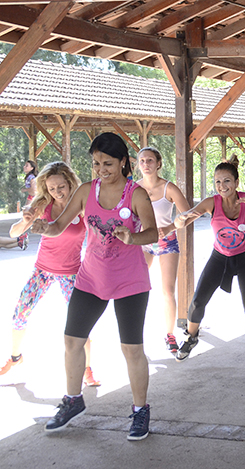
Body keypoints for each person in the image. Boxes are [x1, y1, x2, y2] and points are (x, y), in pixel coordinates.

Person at [33, 133, 158, 440]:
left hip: (130, 282)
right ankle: (73, 400)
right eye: (96, 163)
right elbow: (58, 226)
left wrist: (133, 237)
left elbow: (153, 233)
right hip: (90, 279)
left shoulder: (136, 194)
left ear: (123, 162)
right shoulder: (86, 191)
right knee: (72, 341)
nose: (101, 169)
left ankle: (140, 411)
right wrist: (42, 228)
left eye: (108, 163)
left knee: (132, 348)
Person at [173, 161, 245, 369]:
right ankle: (191, 337)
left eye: (227, 181)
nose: (222, 186)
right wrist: (175, 223)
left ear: (236, 182)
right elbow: (186, 219)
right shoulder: (211, 202)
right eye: (217, 182)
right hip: (219, 257)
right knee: (197, 301)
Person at [1, 162, 99, 387]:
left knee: (81, 322)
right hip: (42, 270)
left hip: (72, 273)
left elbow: (98, 230)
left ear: (70, 182)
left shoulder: (82, 205)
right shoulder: (43, 204)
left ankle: (87, 369)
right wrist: (25, 222)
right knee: (20, 312)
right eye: (52, 188)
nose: (57, 192)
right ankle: (16, 358)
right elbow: (14, 232)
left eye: (61, 187)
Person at [135, 147, 191, 353]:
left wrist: (169, 227)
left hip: (166, 242)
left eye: (150, 160)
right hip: (143, 242)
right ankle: (135, 337)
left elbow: (189, 214)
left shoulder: (169, 188)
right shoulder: (133, 188)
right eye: (142, 161)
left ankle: (169, 335)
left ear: (158, 163)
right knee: (137, 289)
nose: (146, 164)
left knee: (167, 291)